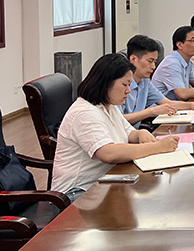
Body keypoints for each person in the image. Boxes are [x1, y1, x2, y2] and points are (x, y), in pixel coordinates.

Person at [52, 53, 180, 201]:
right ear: (106, 83)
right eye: (125, 85)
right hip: (78, 193)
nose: (128, 91)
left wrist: (141, 133)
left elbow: (129, 133)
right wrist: (158, 147)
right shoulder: (85, 112)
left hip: (105, 182)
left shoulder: (109, 106)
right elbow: (108, 153)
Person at [119, 34, 194, 128]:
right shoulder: (119, 85)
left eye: (155, 62)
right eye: (150, 61)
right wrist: (151, 111)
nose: (153, 67)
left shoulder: (145, 81)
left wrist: (191, 105)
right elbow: (118, 120)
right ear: (133, 59)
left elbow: (167, 103)